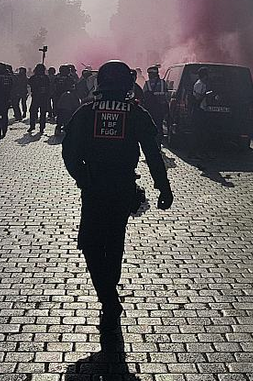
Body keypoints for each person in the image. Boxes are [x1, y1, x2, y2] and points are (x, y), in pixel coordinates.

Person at [62, 60, 174, 332]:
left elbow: (69, 151)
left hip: (94, 188)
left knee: (89, 243)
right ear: (127, 84)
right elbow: (153, 153)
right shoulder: (136, 113)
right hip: (122, 187)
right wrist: (163, 186)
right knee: (114, 242)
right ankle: (109, 295)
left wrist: (83, 177)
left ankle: (107, 297)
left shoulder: (86, 111)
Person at [191, 67, 214, 159]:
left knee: (203, 133)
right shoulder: (199, 84)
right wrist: (206, 94)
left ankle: (201, 152)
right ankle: (195, 153)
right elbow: (197, 98)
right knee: (198, 133)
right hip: (198, 110)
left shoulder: (203, 84)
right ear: (204, 75)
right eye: (207, 74)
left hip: (202, 110)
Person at [142, 65, 169, 143]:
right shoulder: (163, 83)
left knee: (150, 125)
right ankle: (158, 143)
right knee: (159, 125)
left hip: (151, 109)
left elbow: (144, 96)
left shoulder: (147, 84)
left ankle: (152, 141)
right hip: (160, 108)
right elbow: (166, 95)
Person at [28, 63, 51, 134]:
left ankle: (42, 127)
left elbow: (48, 86)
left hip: (43, 97)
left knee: (43, 113)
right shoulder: (33, 78)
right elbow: (30, 83)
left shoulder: (46, 78)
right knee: (32, 112)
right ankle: (32, 125)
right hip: (35, 97)